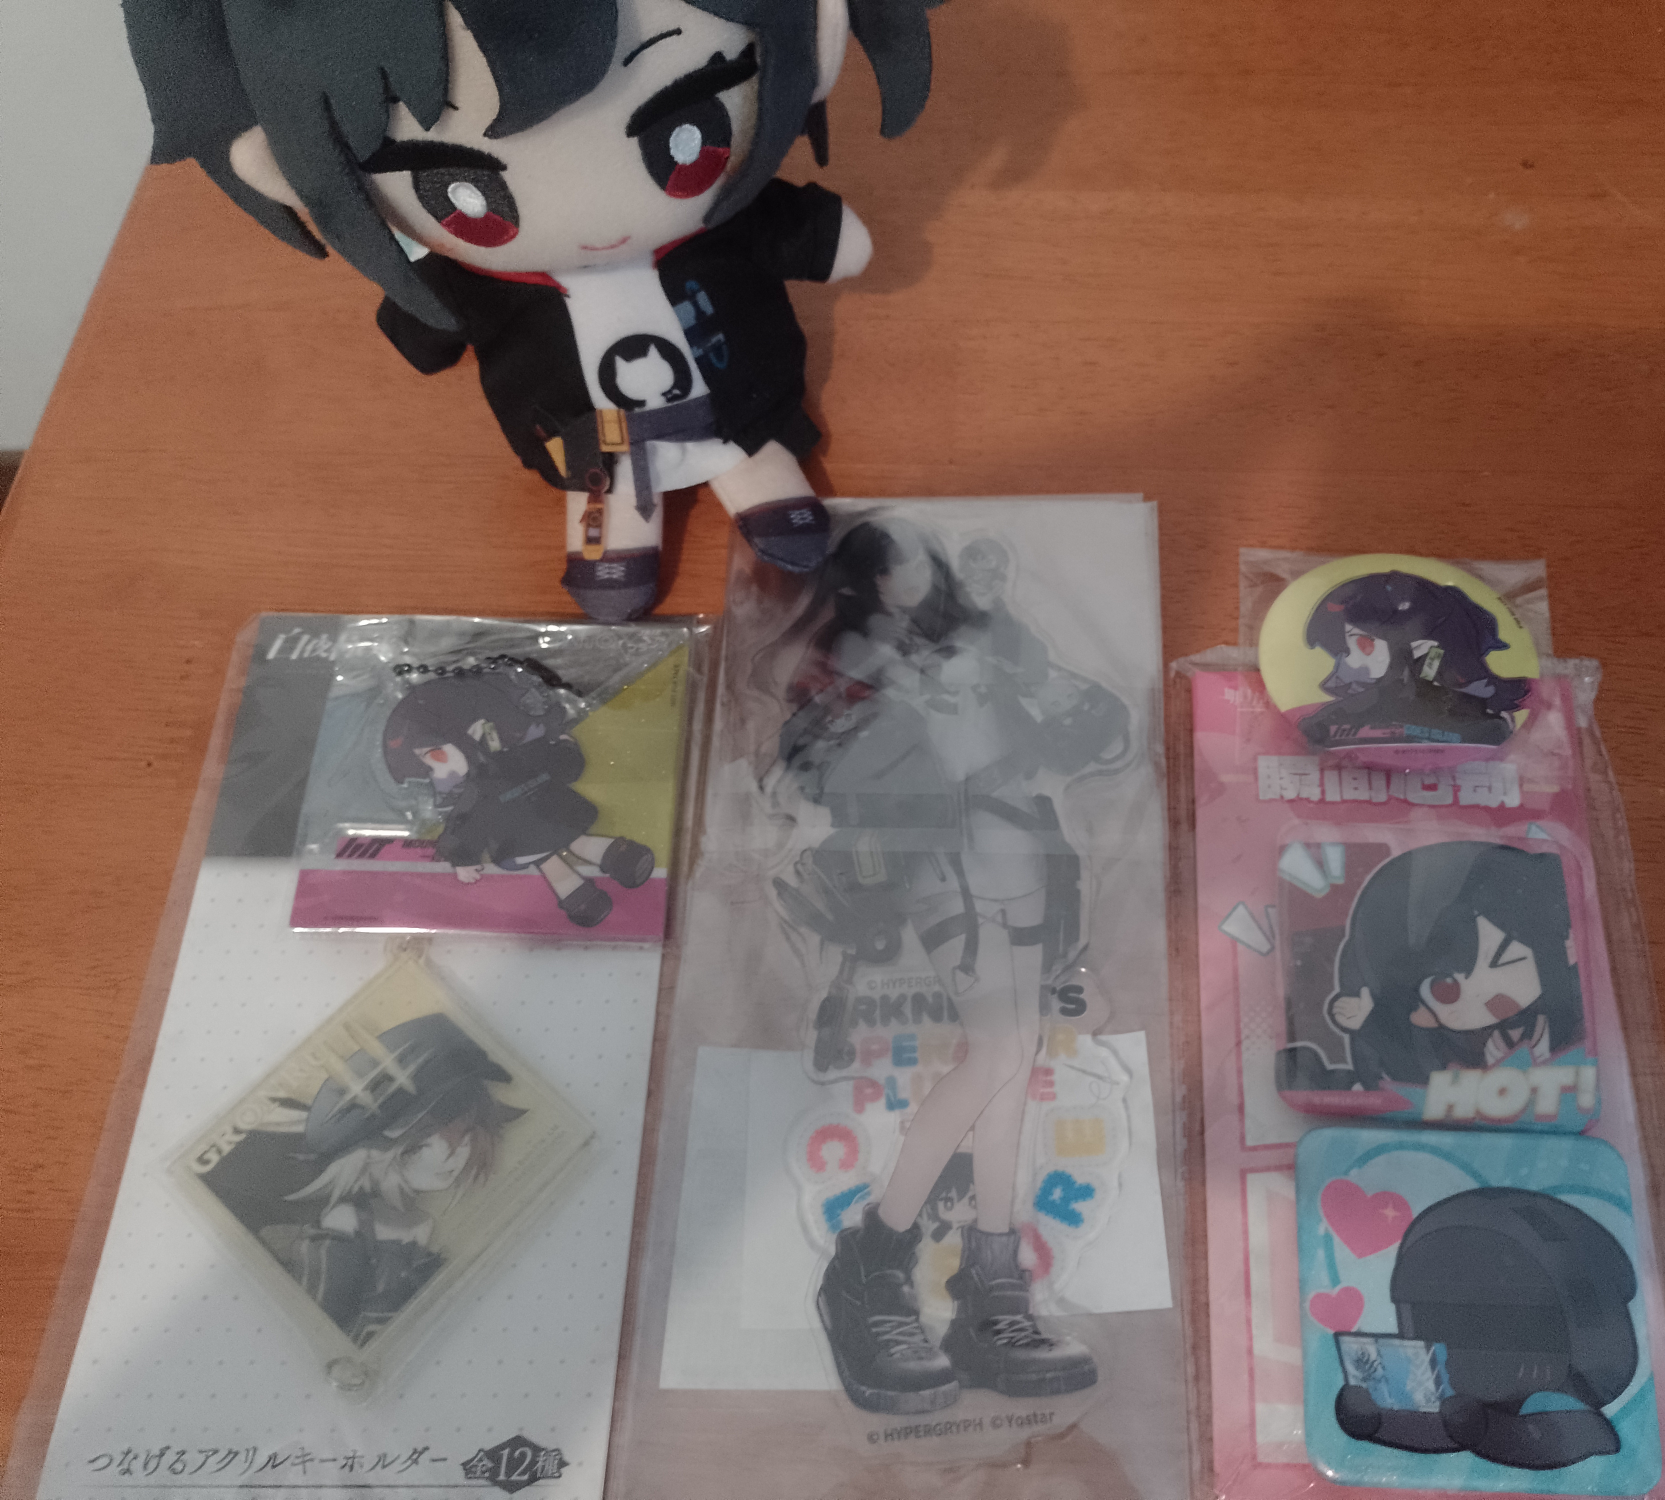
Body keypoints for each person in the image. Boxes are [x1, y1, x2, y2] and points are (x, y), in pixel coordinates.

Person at [123, 0, 941, 619]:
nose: (594, 220)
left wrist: (822, 234)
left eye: (687, 139)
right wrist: (418, 321)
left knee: (752, 442)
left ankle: (758, 473)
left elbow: (787, 230)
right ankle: (616, 534)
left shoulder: (719, 231)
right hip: (590, 445)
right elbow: (434, 317)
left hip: (743, 407)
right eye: (465, 195)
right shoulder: (484, 282)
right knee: (602, 482)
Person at [774, 519, 1117, 1415]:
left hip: (1018, 839)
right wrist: (893, 709)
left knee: (1016, 1053)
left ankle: (991, 1293)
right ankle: (871, 1262)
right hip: (936, 854)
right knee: (998, 1050)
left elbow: (1061, 710)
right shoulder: (850, 656)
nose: (914, 580)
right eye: (896, 569)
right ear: (865, 582)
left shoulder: (982, 635)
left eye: (921, 565)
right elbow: (810, 760)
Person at [256, 1014, 525, 1347]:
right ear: (372, 1154)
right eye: (422, 1144)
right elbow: (330, 1335)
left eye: (468, 1136)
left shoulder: (421, 1224)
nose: (455, 1156)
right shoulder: (345, 1226)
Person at [382, 666, 655, 927]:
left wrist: (565, 747)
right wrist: (463, 860)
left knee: (572, 843)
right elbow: (461, 829)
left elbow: (560, 766)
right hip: (522, 837)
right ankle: (585, 897)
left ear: (472, 731)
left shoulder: (515, 758)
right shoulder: (472, 792)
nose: (433, 772)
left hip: (549, 816)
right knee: (552, 857)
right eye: (427, 764)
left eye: (435, 756)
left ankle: (621, 862)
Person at [1323, 841, 1585, 1087]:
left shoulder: (1572, 1017)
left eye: (1503, 962)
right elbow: (1417, 1087)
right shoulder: (1445, 1048)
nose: (1482, 991)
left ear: (1569, 945)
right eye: (1446, 988)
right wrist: (1372, 1027)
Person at [1297, 571, 1531, 747]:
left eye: (1365, 641)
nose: (1352, 656)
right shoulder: (1341, 713)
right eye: (1351, 638)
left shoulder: (1484, 720)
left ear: (1424, 647)